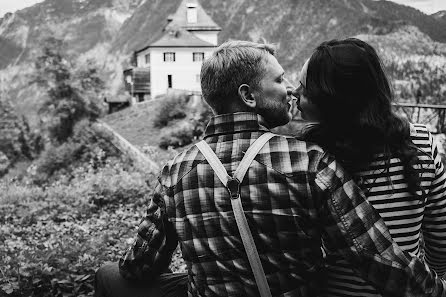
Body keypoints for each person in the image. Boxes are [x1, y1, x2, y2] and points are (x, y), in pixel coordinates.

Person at [95, 40, 445, 297]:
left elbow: (138, 266)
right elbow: (377, 258)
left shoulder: (174, 171)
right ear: (249, 96)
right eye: (280, 81)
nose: (291, 89)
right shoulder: (309, 160)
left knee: (108, 276)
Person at [292, 38, 446, 297]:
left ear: (332, 102)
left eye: (305, 89)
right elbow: (441, 238)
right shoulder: (420, 141)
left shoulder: (310, 157)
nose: (293, 92)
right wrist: (428, 282)